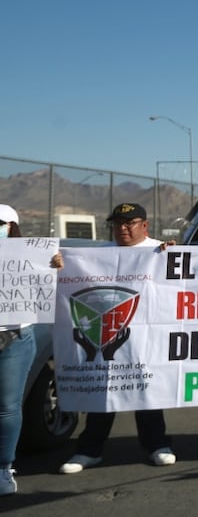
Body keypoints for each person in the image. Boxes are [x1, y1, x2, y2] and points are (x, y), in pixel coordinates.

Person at [60, 203, 176, 474]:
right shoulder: (97, 255)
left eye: (129, 223)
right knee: (102, 391)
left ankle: (157, 444)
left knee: (147, 392)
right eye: (116, 223)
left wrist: (177, 255)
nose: (122, 228)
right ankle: (89, 450)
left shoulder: (161, 250)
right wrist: (59, 265)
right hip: (107, 334)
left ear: (144, 225)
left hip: (148, 337)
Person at [1, 205, 61, 495]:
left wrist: (57, 267)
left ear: (12, 226)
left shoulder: (32, 257)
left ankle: (3, 469)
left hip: (14, 338)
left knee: (7, 407)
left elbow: (53, 284)